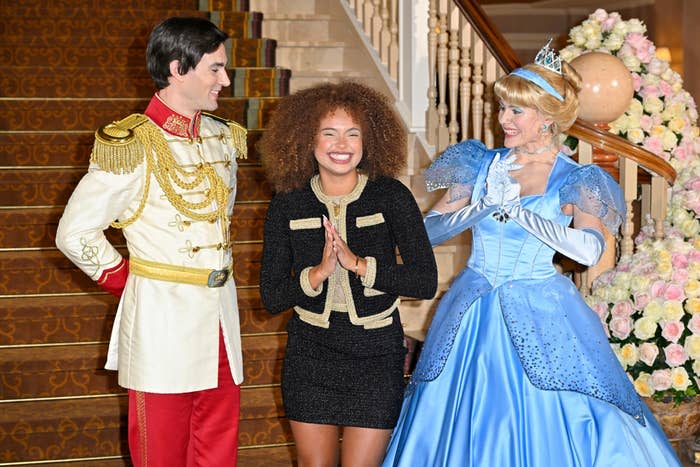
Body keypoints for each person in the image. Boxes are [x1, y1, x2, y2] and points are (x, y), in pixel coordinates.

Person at [382, 42, 681, 466]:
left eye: (515, 111)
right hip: (474, 306)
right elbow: (424, 234)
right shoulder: (481, 164)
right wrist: (479, 208)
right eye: (502, 107)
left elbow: (590, 248)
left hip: (544, 308)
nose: (503, 119)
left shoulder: (576, 177)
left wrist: (524, 216)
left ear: (547, 119)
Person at [55, 17, 247, 467]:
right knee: (160, 452)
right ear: (178, 69)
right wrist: (129, 281)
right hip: (162, 323)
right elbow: (74, 231)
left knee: (218, 449)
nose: (225, 79)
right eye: (214, 69)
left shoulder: (221, 138)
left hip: (220, 317)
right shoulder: (133, 144)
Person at [258, 81, 438, 467]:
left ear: (368, 140)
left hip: (376, 355)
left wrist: (360, 266)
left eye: (353, 133)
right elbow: (272, 297)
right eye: (330, 133)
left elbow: (424, 281)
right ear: (307, 139)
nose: (342, 144)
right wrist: (318, 273)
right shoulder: (288, 203)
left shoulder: (391, 196)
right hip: (310, 354)